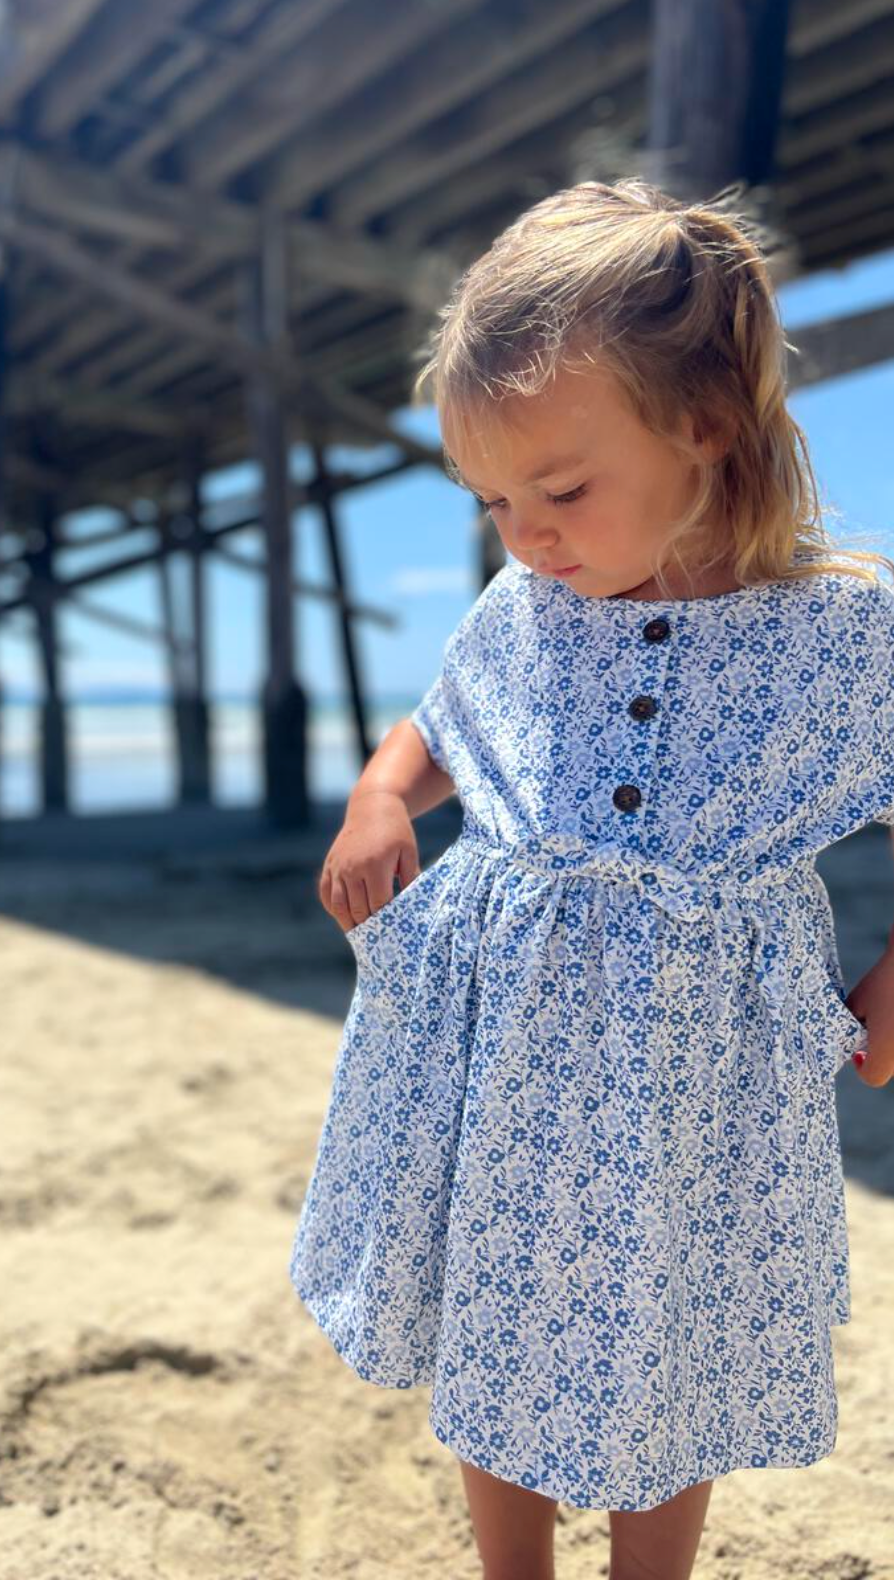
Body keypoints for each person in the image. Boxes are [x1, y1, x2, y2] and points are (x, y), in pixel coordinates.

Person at [288, 177, 894, 1580]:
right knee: (496, 1325)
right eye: (494, 500)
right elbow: (440, 726)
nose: (528, 536)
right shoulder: (529, 607)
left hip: (701, 1086)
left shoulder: (843, 633)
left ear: (705, 427)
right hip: (505, 1054)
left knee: (663, 1346)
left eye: (561, 489)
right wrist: (384, 799)